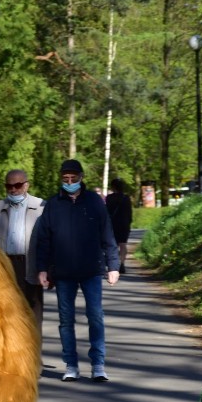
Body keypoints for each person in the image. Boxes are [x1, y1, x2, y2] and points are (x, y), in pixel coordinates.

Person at [36, 159, 120, 382]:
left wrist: (113, 266)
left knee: (96, 317)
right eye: (65, 178)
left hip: (91, 270)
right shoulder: (53, 204)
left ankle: (98, 365)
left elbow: (108, 235)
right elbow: (44, 239)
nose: (70, 182)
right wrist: (42, 269)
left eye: (73, 178)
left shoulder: (94, 202)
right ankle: (71, 365)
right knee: (66, 320)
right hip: (63, 273)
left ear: (81, 177)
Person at [0, 169, 46, 331]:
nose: (13, 189)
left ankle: (34, 354)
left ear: (26, 186)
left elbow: (48, 242)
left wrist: (48, 269)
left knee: (33, 314)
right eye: (9, 186)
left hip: (31, 264)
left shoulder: (41, 207)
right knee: (8, 314)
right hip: (6, 266)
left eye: (18, 185)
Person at [105, 178, 132, 274]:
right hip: (124, 224)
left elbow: (106, 212)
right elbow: (129, 213)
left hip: (113, 224)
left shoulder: (109, 198)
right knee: (123, 244)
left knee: (113, 245)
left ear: (113, 187)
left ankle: (114, 265)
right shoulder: (126, 198)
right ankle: (122, 263)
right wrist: (129, 223)